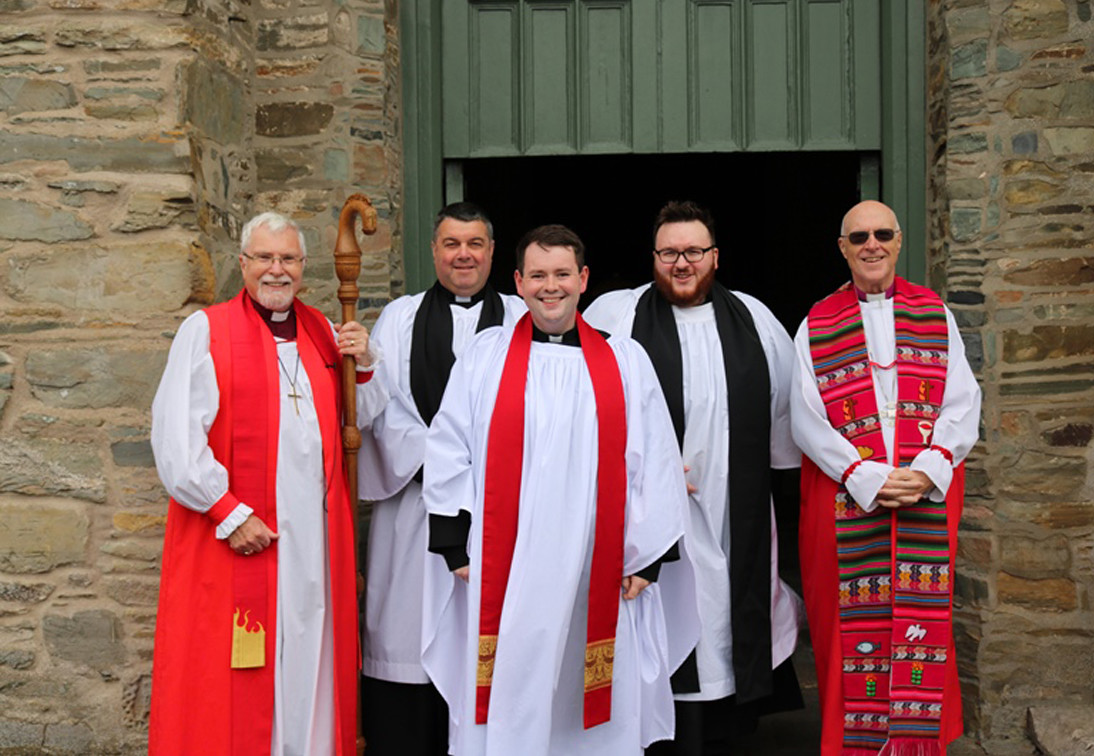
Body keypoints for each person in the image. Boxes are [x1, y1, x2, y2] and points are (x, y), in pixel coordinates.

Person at [421, 224, 698, 755]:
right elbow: (449, 444)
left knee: (587, 701)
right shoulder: (486, 356)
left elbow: (657, 458)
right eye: (540, 275)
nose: (552, 287)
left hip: (596, 560)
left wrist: (647, 560)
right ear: (519, 282)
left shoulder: (625, 360)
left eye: (563, 274)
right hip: (507, 565)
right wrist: (455, 542)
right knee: (513, 688)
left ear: (584, 279)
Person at [149, 211, 386, 755]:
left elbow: (362, 421)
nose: (276, 271)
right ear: (243, 263)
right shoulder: (207, 330)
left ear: (303, 268)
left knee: (311, 657)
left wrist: (365, 361)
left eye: (288, 259)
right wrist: (229, 513)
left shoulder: (324, 332)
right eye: (264, 258)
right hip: (244, 537)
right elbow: (177, 438)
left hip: (314, 545)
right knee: (236, 681)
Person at [585, 200, 804, 755]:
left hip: (736, 506)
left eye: (693, 252)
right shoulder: (617, 316)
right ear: (653, 256)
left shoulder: (754, 318)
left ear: (714, 255)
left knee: (724, 622)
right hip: (652, 510)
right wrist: (638, 468)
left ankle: (724, 728)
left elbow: (787, 416)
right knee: (664, 618)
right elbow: (579, 403)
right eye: (669, 253)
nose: (681, 264)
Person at [790, 200, 982, 756]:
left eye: (881, 234)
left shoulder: (935, 313)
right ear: (843, 248)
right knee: (849, 634)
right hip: (853, 500)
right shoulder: (817, 323)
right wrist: (864, 475)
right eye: (858, 237)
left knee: (922, 630)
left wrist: (927, 469)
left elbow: (962, 401)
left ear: (899, 241)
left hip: (922, 496)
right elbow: (805, 416)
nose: (871, 245)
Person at [356, 202, 527, 754]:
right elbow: (381, 409)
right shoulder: (401, 317)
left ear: (493, 252)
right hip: (415, 509)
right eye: (451, 243)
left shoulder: (523, 316)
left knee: (492, 645)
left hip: (499, 511)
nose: (463, 254)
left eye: (475, 243)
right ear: (433, 251)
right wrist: (447, 460)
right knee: (407, 640)